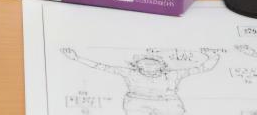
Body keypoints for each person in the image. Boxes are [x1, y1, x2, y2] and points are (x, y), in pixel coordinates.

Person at [61, 47, 219, 115]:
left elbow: (202, 68)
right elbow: (101, 67)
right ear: (137, 65)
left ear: (162, 66)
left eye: (153, 63)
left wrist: (214, 57)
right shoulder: (129, 73)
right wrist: (76, 58)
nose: (149, 66)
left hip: (168, 104)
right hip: (137, 103)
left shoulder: (172, 75)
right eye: (144, 63)